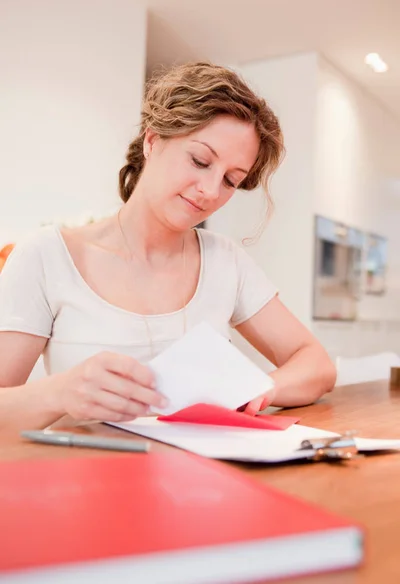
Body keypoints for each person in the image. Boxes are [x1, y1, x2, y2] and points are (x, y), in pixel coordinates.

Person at [0, 62, 336, 432]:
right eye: (200, 160)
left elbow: (316, 365)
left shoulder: (225, 261)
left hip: (201, 478)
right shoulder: (46, 256)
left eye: (230, 180)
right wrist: (59, 393)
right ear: (152, 140)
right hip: (86, 476)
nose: (210, 191)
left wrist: (259, 389)